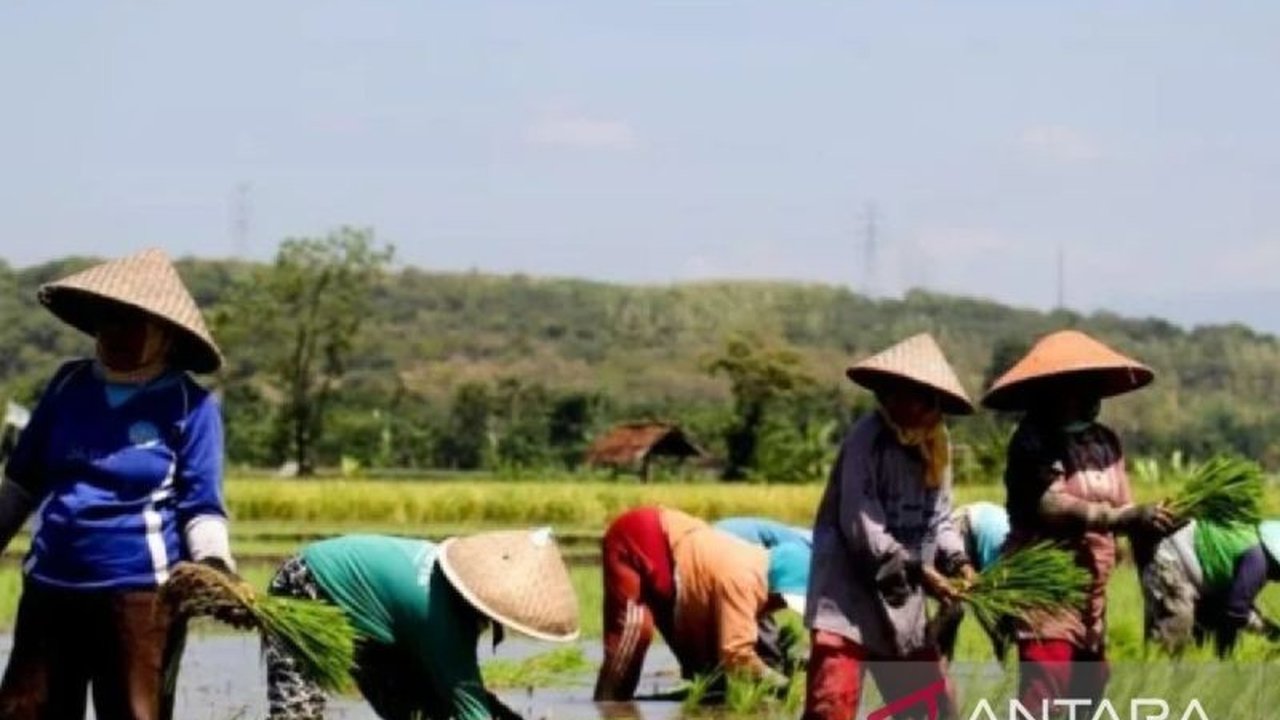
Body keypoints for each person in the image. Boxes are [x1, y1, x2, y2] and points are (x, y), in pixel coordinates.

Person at [0, 248, 237, 720]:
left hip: (139, 595)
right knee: (24, 710)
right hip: (51, 584)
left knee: (133, 711)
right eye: (107, 321)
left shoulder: (190, 405)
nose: (114, 334)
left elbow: (201, 503)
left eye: (130, 323)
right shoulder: (69, 385)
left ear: (165, 336)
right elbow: (23, 479)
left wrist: (215, 564)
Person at [983, 330, 1176, 712]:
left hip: (1092, 588)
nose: (1089, 397)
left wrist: (1152, 523)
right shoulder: (1032, 439)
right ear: (1052, 390)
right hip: (1046, 587)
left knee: (1091, 685)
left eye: (1093, 387)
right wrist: (1120, 517)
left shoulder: (1106, 440)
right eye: (1077, 387)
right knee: (1046, 684)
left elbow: (1125, 503)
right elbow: (1050, 505)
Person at [804, 333, 977, 720]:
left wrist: (958, 561)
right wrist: (921, 571)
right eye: (893, 394)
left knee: (931, 710)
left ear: (930, 401)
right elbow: (862, 526)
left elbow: (939, 517)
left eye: (912, 397)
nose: (900, 404)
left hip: (903, 600)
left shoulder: (936, 444)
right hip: (847, 598)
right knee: (832, 705)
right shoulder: (867, 440)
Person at [264, 528, 580, 719]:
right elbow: (468, 701)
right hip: (308, 585)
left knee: (417, 710)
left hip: (375, 617)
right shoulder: (439, 618)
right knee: (298, 712)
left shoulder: (450, 597)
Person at [593, 506, 809, 702]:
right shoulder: (743, 580)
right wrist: (781, 684)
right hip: (642, 536)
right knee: (635, 634)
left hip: (683, 567)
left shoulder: (759, 579)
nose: (780, 605)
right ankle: (609, 705)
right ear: (780, 584)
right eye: (782, 600)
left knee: (709, 672)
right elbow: (737, 654)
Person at [1139, 518, 1280, 656]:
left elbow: (1231, 607)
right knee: (1176, 630)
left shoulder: (1254, 546)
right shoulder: (1258, 561)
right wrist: (1269, 632)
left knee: (1207, 626)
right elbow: (1236, 611)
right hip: (1169, 560)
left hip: (1184, 567)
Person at [715, 517, 813, 672]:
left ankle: (764, 664)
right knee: (750, 612)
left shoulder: (796, 540)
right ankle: (768, 666)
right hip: (730, 549)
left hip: (719, 546)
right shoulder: (802, 552)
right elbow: (774, 596)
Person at [934, 501, 1012, 662]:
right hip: (964, 527)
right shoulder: (1006, 560)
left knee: (1004, 629)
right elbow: (986, 600)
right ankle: (933, 664)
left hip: (984, 525)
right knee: (953, 606)